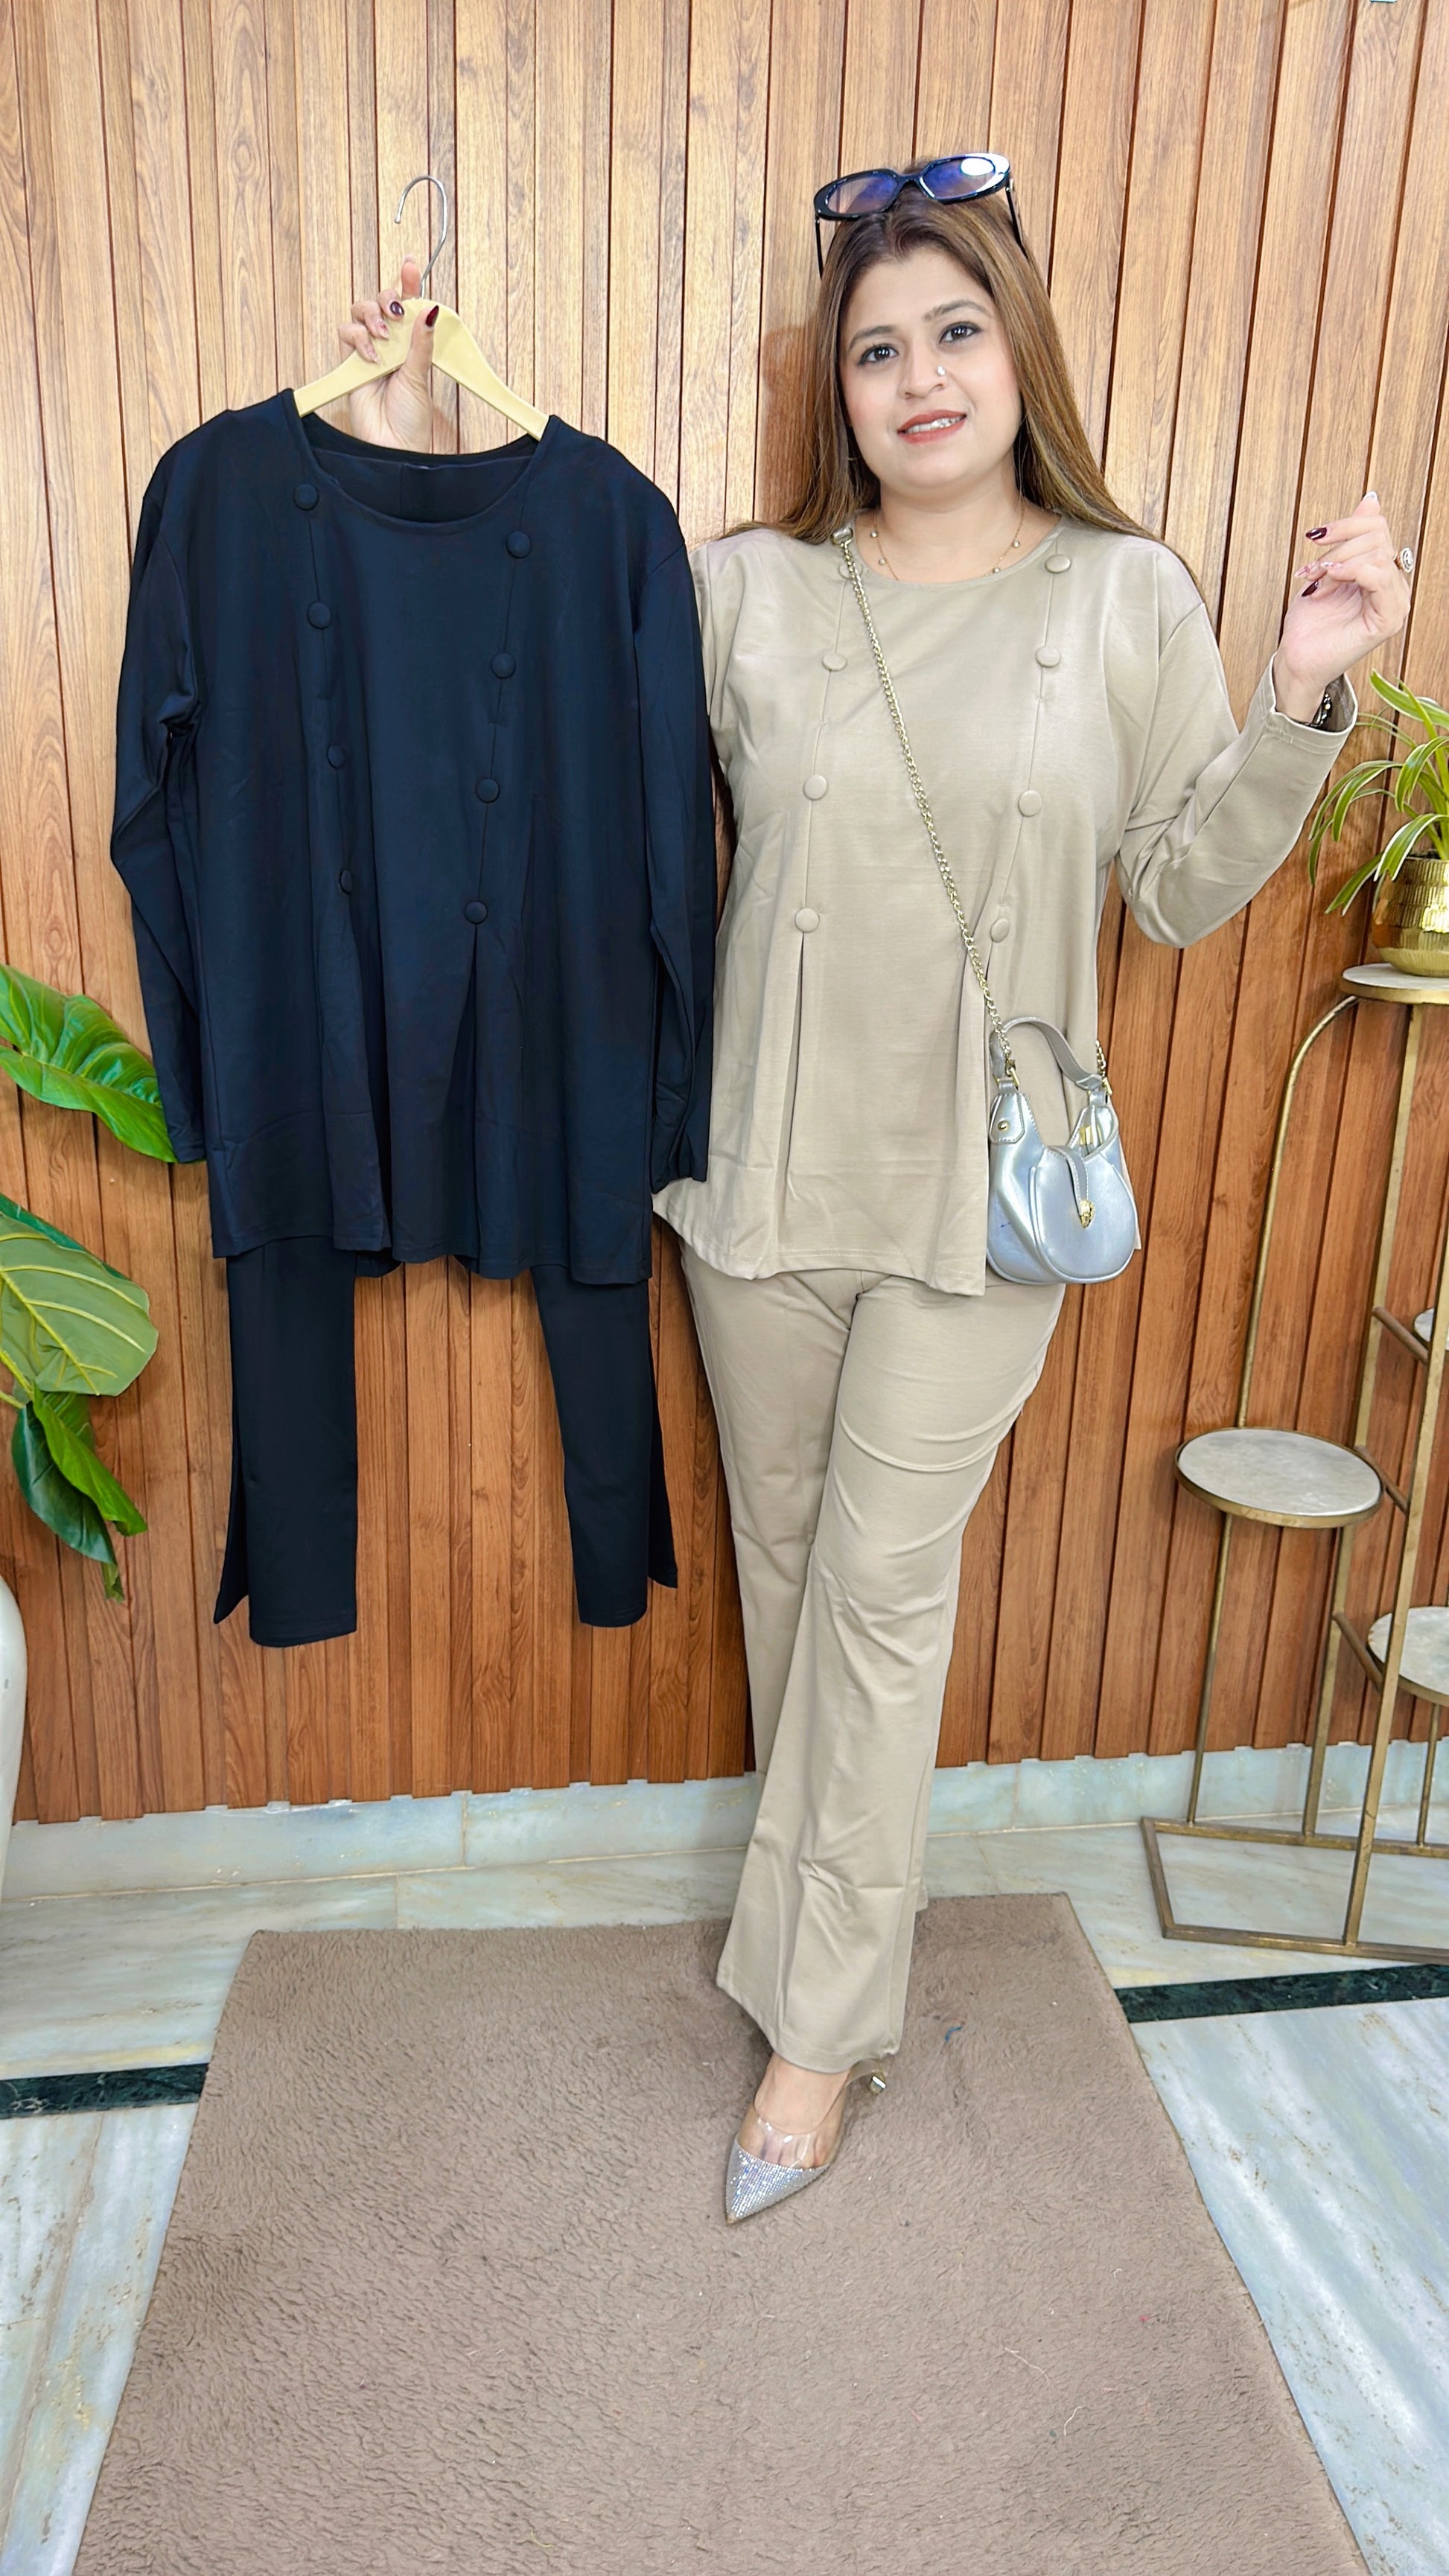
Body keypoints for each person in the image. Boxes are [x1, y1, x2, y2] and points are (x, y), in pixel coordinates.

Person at [335, 161, 1410, 2225]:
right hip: (759, 1180)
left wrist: (1301, 684)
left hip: (982, 1201)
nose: (920, 377)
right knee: (794, 1574)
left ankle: (818, 2032)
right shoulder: (746, 589)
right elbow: (538, 713)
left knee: (882, 1594)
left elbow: (1178, 891)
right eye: (877, 347)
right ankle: (826, 1940)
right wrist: (421, 433)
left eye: (957, 333)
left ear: (1020, 356)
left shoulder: (1124, 596)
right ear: (836, 388)